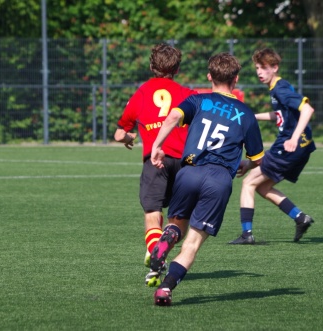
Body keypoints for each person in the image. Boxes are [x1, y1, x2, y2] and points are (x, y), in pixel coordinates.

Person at [149, 52, 264, 306]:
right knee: (192, 244)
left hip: (189, 171)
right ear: (236, 79)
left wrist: (157, 146)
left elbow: (172, 117)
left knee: (177, 226)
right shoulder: (245, 114)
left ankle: (166, 238)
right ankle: (165, 290)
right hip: (219, 180)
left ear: (209, 76)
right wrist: (244, 164)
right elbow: (258, 159)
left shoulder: (197, 100)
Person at [113, 43, 197, 286]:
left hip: (154, 160)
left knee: (152, 214)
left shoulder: (142, 92)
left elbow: (120, 133)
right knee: (179, 218)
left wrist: (129, 138)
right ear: (178, 69)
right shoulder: (188, 94)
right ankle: (161, 252)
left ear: (151, 66)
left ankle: (154, 254)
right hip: (184, 163)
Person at [229, 48, 316, 245]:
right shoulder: (278, 88)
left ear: (275, 68)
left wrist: (294, 137)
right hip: (300, 147)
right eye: (257, 68)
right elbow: (280, 115)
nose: (259, 72)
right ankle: (300, 218)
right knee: (262, 187)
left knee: (248, 183)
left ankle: (247, 234)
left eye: (264, 68)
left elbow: (307, 109)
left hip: (290, 146)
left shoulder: (280, 89)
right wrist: (252, 116)